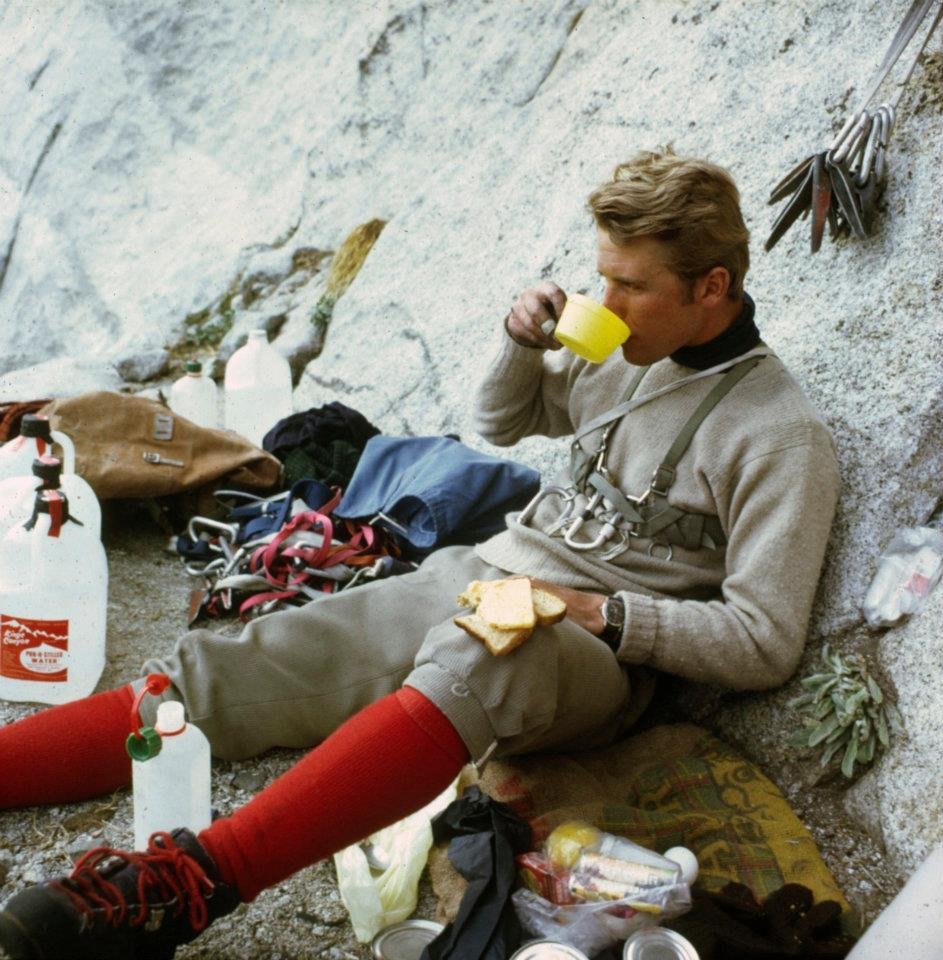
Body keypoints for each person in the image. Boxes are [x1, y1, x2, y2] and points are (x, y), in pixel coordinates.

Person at [0, 150, 839, 959]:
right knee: (258, 656)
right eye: (602, 276)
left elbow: (764, 639)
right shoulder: (625, 353)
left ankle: (188, 885)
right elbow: (503, 422)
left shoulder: (778, 435)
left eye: (630, 284)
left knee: (490, 656)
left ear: (713, 287)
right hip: (488, 577)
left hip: (589, 656)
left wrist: (601, 612)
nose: (606, 301)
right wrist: (520, 339)